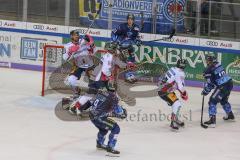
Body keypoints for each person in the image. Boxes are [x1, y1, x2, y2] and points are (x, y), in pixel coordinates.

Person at [89, 89, 127, 155]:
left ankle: (100, 144)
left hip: (92, 115)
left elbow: (91, 102)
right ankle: (110, 147)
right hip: (99, 117)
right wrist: (123, 112)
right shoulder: (113, 97)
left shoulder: (102, 92)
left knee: (104, 129)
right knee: (116, 128)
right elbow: (118, 112)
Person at [202, 54, 235, 127]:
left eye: (207, 60)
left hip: (222, 87)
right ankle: (230, 114)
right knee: (223, 100)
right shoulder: (218, 64)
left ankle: (212, 121)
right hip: (230, 83)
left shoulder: (208, 70)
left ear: (210, 61)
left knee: (212, 101)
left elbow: (211, 84)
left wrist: (205, 91)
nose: (206, 62)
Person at [63, 30, 96, 98]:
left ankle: (94, 94)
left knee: (94, 79)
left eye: (78, 34)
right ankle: (77, 91)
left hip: (88, 63)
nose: (77, 36)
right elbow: (65, 58)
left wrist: (91, 43)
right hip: (77, 65)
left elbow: (94, 50)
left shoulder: (84, 41)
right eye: (75, 35)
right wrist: (71, 51)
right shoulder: (67, 46)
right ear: (71, 36)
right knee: (71, 79)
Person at [157, 59, 188, 130]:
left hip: (163, 90)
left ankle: (175, 119)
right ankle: (173, 122)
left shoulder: (172, 68)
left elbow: (172, 82)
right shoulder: (181, 73)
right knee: (177, 104)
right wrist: (184, 93)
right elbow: (180, 86)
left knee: (176, 104)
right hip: (165, 91)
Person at [111, 13, 142, 83]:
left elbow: (135, 37)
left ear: (133, 20)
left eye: (131, 19)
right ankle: (127, 76)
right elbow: (113, 33)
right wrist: (114, 41)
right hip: (122, 47)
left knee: (133, 60)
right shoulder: (122, 26)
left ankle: (131, 75)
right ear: (127, 20)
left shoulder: (136, 27)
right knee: (128, 60)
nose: (130, 21)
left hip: (130, 47)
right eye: (128, 19)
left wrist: (138, 42)